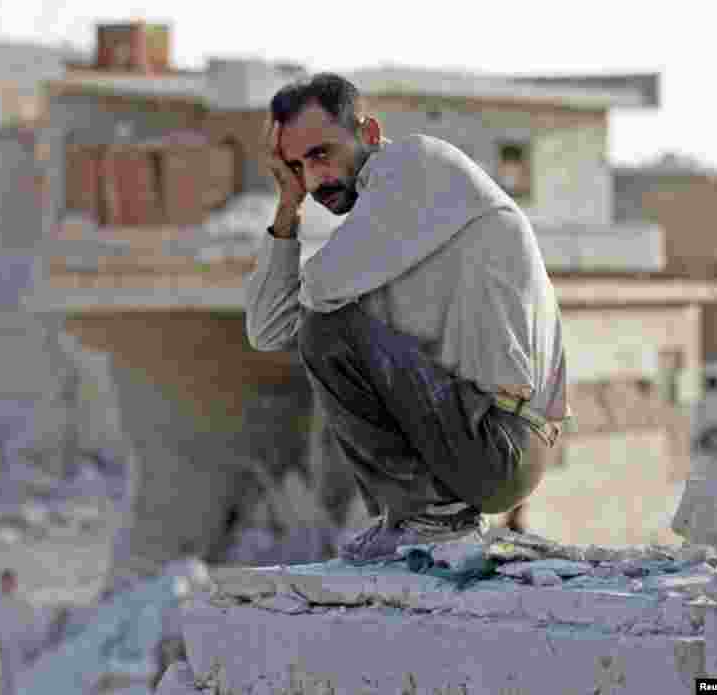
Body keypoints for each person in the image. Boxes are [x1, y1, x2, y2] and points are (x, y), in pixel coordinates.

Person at [246, 73, 574, 565]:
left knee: (329, 330)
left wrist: (310, 262)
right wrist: (287, 205)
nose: (313, 181)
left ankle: (430, 516)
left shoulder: (418, 167)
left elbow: (318, 296)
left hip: (505, 443)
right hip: (472, 440)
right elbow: (268, 329)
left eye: (320, 155)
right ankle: (422, 516)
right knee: (327, 326)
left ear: (370, 134)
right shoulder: (386, 230)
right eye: (295, 167)